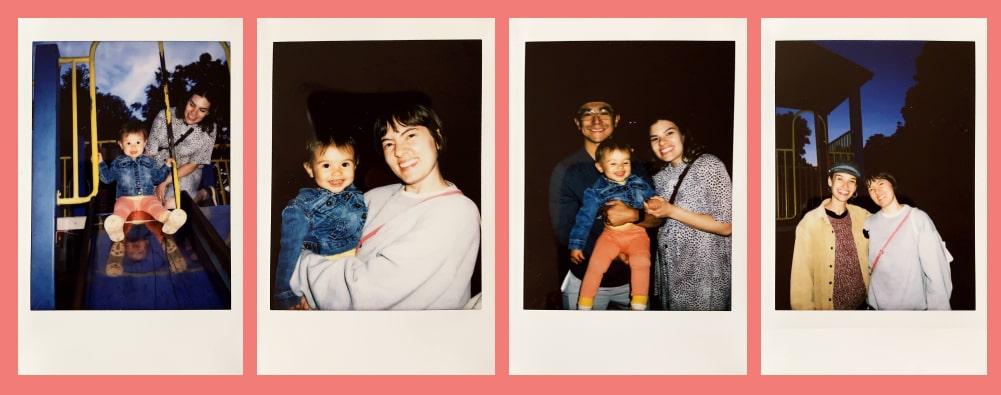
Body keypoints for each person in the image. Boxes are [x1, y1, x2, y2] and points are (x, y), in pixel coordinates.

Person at [288, 100, 480, 310]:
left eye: (410, 135)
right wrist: (310, 299)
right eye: (389, 143)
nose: (399, 151)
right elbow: (322, 244)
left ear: (437, 139)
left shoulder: (456, 212)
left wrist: (299, 267)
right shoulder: (373, 197)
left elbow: (365, 293)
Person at [550, 100, 658, 310]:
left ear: (616, 120)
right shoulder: (566, 170)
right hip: (586, 280)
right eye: (588, 113)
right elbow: (563, 232)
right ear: (577, 122)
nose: (596, 120)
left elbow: (658, 218)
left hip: (632, 282)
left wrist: (632, 215)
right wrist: (618, 251)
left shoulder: (635, 166)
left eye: (604, 113)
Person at [642, 118, 732, 311]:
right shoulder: (659, 178)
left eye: (669, 133)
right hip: (670, 274)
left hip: (705, 275)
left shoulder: (708, 165)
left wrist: (672, 211)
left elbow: (726, 226)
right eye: (655, 138)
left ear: (683, 135)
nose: (662, 143)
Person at [273, 135, 367, 309]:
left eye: (345, 164)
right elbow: (289, 252)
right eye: (326, 165)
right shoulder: (301, 207)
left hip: (360, 270)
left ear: (355, 164)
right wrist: (286, 295)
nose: (337, 172)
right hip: (328, 280)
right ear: (310, 169)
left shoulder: (361, 197)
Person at [569, 140, 657, 311]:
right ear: (600, 167)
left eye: (625, 162)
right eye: (613, 163)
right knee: (595, 265)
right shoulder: (596, 191)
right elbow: (584, 217)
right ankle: (585, 304)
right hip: (610, 236)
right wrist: (576, 245)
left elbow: (653, 199)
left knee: (642, 261)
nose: (620, 167)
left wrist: (654, 203)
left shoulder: (640, 182)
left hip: (637, 233)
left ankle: (638, 303)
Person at [863, 172, 952, 310]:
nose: (877, 191)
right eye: (871, 189)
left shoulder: (917, 219)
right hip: (877, 309)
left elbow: (936, 271)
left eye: (881, 184)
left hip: (911, 310)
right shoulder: (869, 223)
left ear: (892, 184)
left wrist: (938, 312)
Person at [789, 162, 870, 310]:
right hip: (829, 310)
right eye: (840, 179)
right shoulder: (810, 222)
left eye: (851, 181)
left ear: (856, 187)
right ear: (829, 181)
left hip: (864, 305)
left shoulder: (862, 216)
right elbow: (801, 277)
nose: (845, 186)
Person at [98, 122, 187, 243]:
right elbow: (107, 179)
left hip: (147, 198)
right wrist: (100, 164)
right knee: (120, 208)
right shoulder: (118, 162)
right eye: (128, 143)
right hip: (125, 198)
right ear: (121, 144)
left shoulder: (149, 161)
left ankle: (169, 220)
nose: (133, 147)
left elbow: (157, 178)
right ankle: (116, 227)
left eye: (138, 142)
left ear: (145, 143)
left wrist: (166, 166)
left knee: (156, 207)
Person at [147, 83, 224, 208]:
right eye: (192, 105)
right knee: (150, 204)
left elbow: (194, 164)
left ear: (209, 112)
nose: (193, 113)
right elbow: (149, 153)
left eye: (202, 110)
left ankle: (204, 194)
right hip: (159, 167)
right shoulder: (164, 116)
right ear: (187, 100)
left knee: (174, 203)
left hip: (186, 169)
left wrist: (165, 181)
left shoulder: (210, 129)